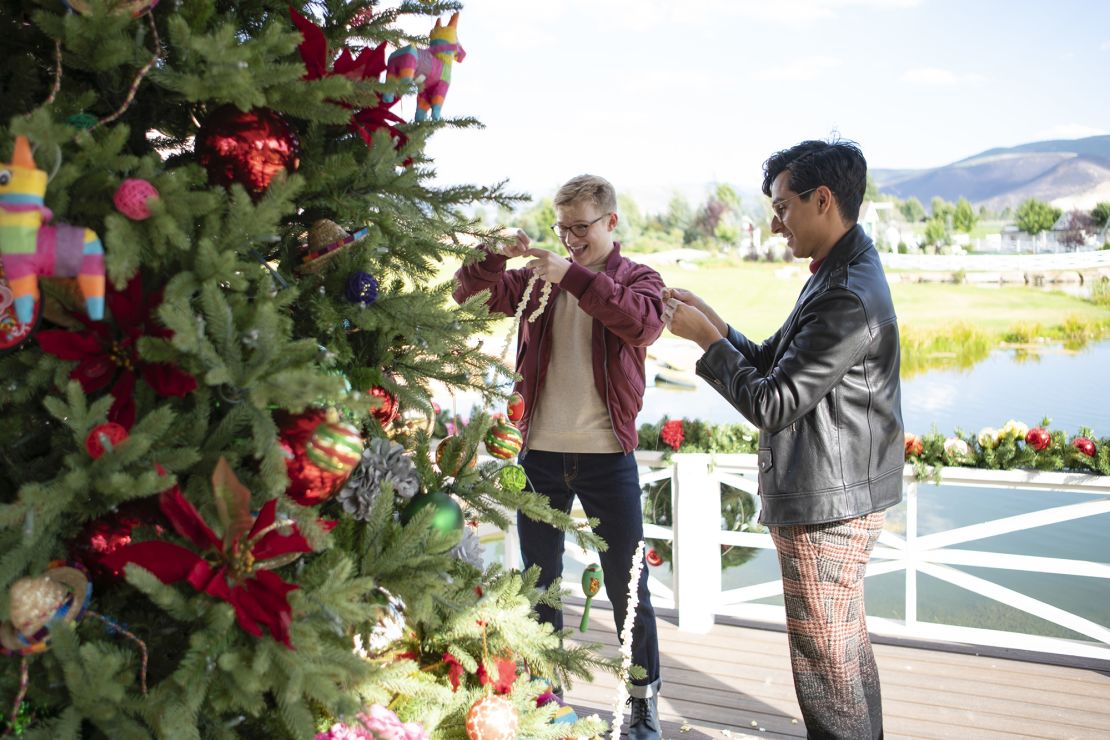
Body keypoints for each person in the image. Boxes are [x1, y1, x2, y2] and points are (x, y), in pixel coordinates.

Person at [664, 140, 903, 740]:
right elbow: (776, 361)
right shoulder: (839, 271)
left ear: (823, 200)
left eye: (782, 206)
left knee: (827, 665)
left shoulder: (846, 291)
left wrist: (705, 344)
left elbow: (772, 402)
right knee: (842, 654)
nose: (774, 223)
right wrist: (715, 325)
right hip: (837, 494)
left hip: (830, 506)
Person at [452, 174, 665, 739]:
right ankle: (547, 696)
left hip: (606, 456)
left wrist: (571, 274)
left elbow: (642, 324)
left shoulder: (638, 278)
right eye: (562, 227)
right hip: (540, 454)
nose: (570, 238)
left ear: (611, 223)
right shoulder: (533, 282)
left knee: (628, 583)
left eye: (581, 227)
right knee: (540, 582)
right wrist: (493, 255)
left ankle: (642, 701)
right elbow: (467, 294)